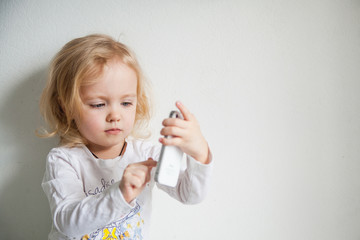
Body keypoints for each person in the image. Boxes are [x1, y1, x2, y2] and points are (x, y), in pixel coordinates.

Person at [39, 34, 212, 240]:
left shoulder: (147, 155)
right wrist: (119, 194)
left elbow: (189, 195)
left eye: (126, 103)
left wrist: (199, 154)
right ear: (67, 107)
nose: (115, 116)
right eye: (98, 104)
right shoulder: (63, 159)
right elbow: (67, 222)